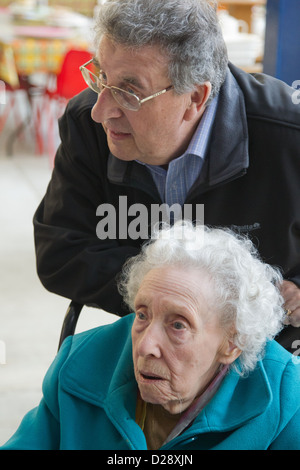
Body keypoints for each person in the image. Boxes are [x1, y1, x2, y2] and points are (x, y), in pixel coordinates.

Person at [33, 0, 300, 351]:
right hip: (148, 345)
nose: (101, 111)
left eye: (129, 92)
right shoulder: (87, 124)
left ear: (195, 97)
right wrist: (177, 301)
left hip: (268, 352)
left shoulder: (287, 133)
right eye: (101, 78)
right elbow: (59, 249)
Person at [2, 222, 300, 450]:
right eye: (143, 314)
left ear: (232, 343)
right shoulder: (80, 364)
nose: (145, 345)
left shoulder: (282, 398)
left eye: (178, 325)